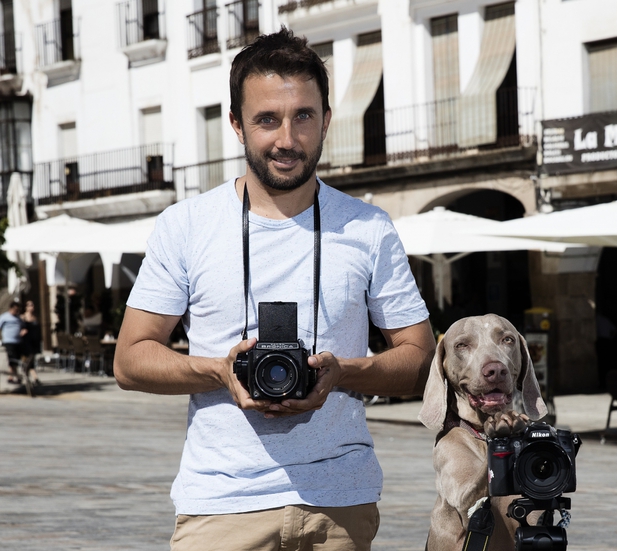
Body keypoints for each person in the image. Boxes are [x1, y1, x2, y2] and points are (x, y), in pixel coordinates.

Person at [114, 28, 435, 551]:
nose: (287, 138)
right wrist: (218, 370)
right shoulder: (186, 226)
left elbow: (422, 359)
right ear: (238, 126)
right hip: (220, 506)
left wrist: (344, 373)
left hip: (340, 504)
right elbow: (129, 359)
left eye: (303, 116)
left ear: (327, 120)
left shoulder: (369, 229)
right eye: (267, 119)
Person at [0, 301, 23, 384]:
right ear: (10, 309)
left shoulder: (19, 318)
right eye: (15, 309)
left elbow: (22, 327)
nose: (16, 311)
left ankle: (13, 376)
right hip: (9, 341)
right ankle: (13, 376)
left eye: (18, 310)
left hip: (18, 342)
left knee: (16, 360)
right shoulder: (4, 317)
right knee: (12, 359)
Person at [19, 300, 42, 386]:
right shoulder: (22, 317)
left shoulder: (35, 318)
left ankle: (30, 378)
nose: (31, 307)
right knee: (26, 361)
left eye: (32, 305)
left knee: (31, 361)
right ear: (26, 307)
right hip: (25, 343)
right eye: (29, 305)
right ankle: (33, 378)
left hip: (34, 343)